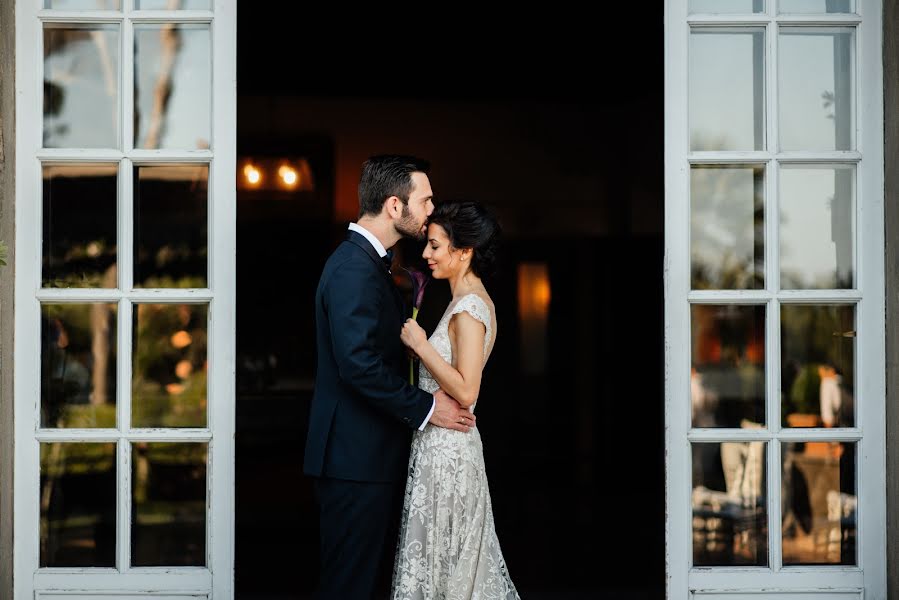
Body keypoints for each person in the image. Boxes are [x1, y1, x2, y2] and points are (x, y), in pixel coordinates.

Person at [303, 155, 477, 599]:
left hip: (365, 456)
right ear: (395, 206)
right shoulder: (352, 269)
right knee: (349, 586)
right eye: (426, 200)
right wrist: (426, 407)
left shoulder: (369, 265)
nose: (432, 211)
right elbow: (357, 363)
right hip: (353, 459)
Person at [392, 201, 520, 600]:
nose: (426, 254)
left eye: (435, 246)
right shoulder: (464, 303)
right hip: (441, 446)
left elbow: (467, 391)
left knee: (446, 565)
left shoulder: (469, 309)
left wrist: (420, 345)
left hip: (449, 451)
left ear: (464, 251)